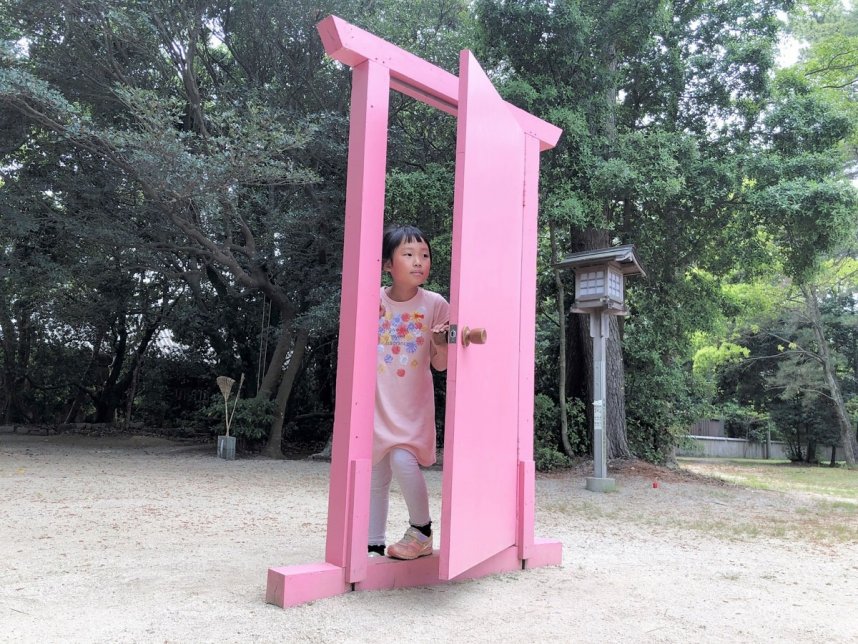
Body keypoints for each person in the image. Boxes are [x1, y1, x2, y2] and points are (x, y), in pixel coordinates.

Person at [369, 225, 449, 560]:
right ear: (388, 264)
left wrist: (440, 341)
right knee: (377, 473)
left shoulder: (435, 304)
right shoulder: (373, 300)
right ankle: (372, 543)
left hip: (413, 406)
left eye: (425, 255)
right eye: (408, 254)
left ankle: (422, 531)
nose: (419, 262)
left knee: (403, 460)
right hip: (377, 404)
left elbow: (441, 365)